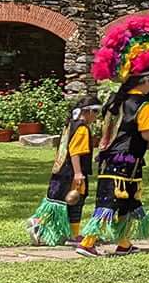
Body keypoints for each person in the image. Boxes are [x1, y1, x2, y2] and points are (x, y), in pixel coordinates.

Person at [79, 15, 149, 257]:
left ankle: (123, 243)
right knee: (112, 202)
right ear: (143, 81)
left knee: (124, 201)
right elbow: (147, 134)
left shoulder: (115, 101)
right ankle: (87, 243)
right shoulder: (144, 105)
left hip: (111, 157)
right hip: (128, 159)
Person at [25, 97, 100, 246]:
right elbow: (75, 152)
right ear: (89, 111)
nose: (97, 116)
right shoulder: (82, 129)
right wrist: (78, 173)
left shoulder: (70, 124)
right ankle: (68, 233)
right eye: (96, 112)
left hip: (61, 170)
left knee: (58, 201)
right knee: (76, 201)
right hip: (72, 172)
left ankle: (41, 222)